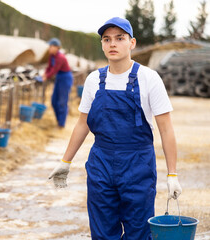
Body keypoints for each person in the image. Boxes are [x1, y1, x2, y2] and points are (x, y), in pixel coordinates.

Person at [48, 17, 182, 239]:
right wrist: (65, 161)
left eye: (120, 38)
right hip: (101, 162)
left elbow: (166, 129)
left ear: (132, 43)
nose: (112, 44)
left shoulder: (149, 78)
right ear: (101, 44)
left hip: (138, 164)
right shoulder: (93, 80)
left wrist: (172, 173)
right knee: (102, 232)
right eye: (107, 39)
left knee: (138, 231)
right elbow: (83, 123)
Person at [42, 38, 73, 128]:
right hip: (59, 77)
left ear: (57, 47)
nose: (49, 48)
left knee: (62, 102)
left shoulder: (60, 57)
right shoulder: (52, 56)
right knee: (54, 101)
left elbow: (54, 70)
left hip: (65, 77)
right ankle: (58, 120)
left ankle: (61, 124)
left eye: (51, 46)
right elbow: (49, 67)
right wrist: (44, 74)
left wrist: (46, 76)